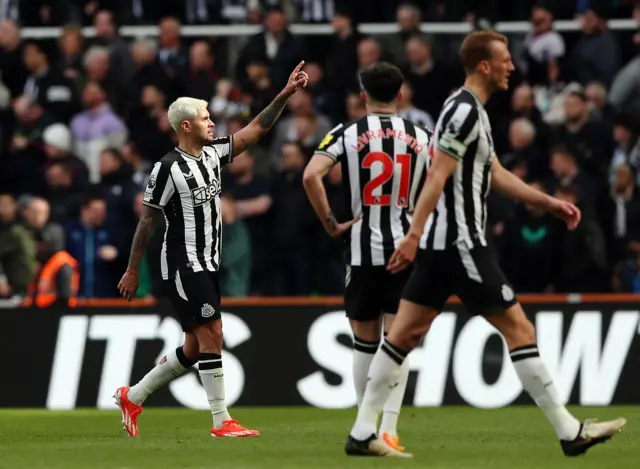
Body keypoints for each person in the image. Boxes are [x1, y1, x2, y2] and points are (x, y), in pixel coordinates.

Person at [344, 31, 626, 458]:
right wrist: (414, 235)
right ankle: (569, 432)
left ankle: (363, 432)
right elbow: (437, 175)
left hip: (444, 246)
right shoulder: (462, 112)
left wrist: (546, 201)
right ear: (485, 66)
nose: (513, 66)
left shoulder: (470, 110)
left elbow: (491, 170)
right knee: (520, 330)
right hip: (460, 244)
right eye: (506, 59)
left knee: (401, 335)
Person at [115, 62, 309, 438]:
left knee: (192, 347)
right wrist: (132, 269)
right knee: (213, 331)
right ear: (186, 126)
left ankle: (133, 395)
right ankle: (222, 421)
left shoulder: (214, 154)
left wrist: (285, 94)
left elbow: (257, 129)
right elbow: (147, 222)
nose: (213, 123)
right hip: (183, 262)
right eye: (206, 118)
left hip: (208, 261)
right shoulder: (167, 169)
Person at [303, 61, 430, 453]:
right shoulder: (423, 136)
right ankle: (389, 428)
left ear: (363, 96)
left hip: (361, 250)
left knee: (364, 342)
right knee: (398, 340)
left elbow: (311, 175)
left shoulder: (346, 133)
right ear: (401, 94)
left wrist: (330, 224)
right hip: (405, 249)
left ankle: (365, 426)